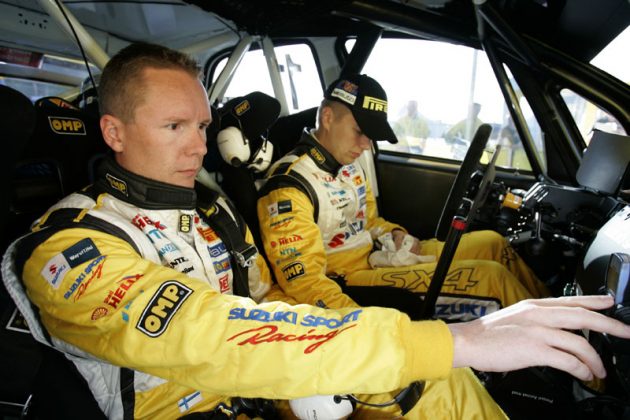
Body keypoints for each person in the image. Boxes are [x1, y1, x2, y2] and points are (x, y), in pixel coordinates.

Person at [3, 44, 630, 420]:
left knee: (437, 382)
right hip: (194, 406)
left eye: (202, 127)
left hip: (265, 387)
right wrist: (437, 339)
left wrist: (357, 343)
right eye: (174, 127)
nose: (196, 147)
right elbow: (207, 334)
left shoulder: (211, 212)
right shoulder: (67, 248)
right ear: (114, 132)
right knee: (435, 358)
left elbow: (267, 298)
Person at [257, 74, 548, 322]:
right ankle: (567, 356)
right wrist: (361, 325)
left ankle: (560, 311)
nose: (366, 144)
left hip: (380, 256)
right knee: (491, 277)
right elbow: (305, 281)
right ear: (328, 118)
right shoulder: (289, 187)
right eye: (360, 131)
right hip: (348, 280)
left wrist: (395, 232)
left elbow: (370, 221)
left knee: (493, 243)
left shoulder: (350, 165)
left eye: (371, 135)